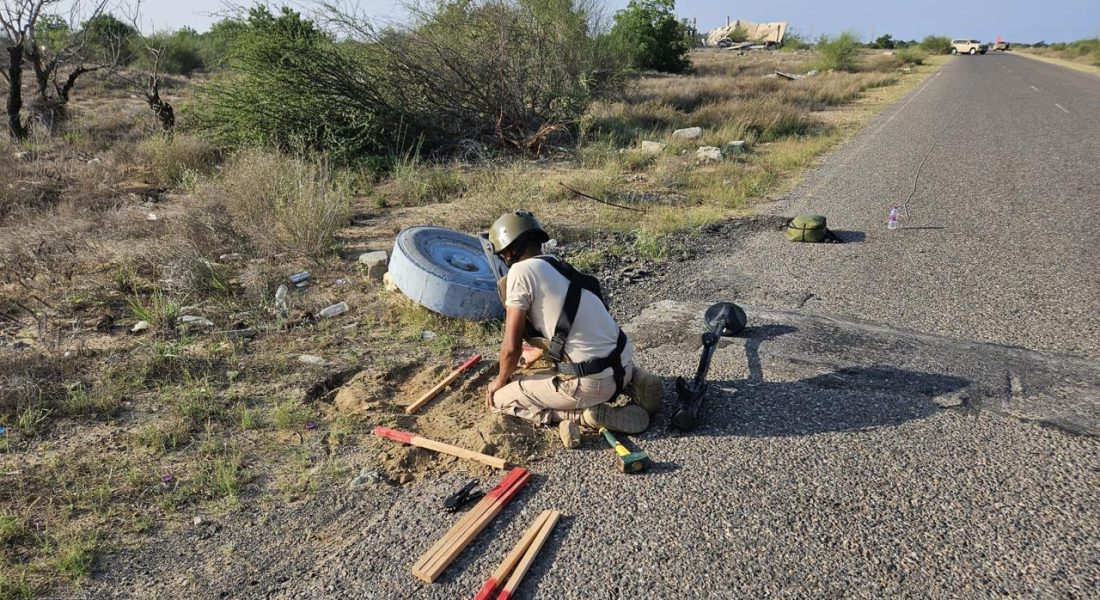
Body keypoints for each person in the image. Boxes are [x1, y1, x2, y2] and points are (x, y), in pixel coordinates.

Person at [483, 210, 662, 442]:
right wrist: (539, 352)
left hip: (591, 384)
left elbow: (511, 348)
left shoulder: (519, 272)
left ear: (509, 250)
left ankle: (585, 417)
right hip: (623, 365)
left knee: (501, 399)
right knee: (590, 360)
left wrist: (499, 381)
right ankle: (637, 380)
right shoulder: (559, 266)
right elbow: (566, 324)